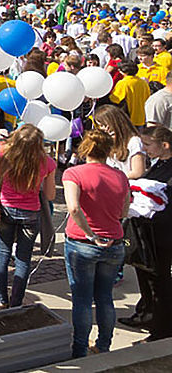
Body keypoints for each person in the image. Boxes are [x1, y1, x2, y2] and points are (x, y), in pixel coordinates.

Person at [62, 129, 131, 358]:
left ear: (85, 148)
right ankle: (104, 345)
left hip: (82, 243)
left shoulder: (73, 173)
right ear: (108, 150)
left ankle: (79, 349)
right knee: (105, 297)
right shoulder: (120, 176)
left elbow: (73, 208)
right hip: (114, 241)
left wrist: (90, 234)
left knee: (82, 299)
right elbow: (124, 211)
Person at [0, 124, 56, 309]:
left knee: (2, 253)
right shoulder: (47, 162)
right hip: (31, 213)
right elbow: (50, 195)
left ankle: (2, 299)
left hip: (6, 210)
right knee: (23, 259)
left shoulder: (5, 152)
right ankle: (16, 302)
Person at [120, 125, 172, 341]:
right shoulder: (159, 163)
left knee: (158, 280)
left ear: (165, 145)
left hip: (162, 233)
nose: (144, 149)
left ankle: (162, 328)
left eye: (148, 145)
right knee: (144, 274)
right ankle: (146, 314)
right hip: (145, 231)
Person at [94, 105, 147, 179]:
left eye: (105, 125)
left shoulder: (134, 142)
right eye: (101, 126)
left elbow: (138, 172)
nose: (104, 129)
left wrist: (114, 178)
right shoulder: (106, 142)